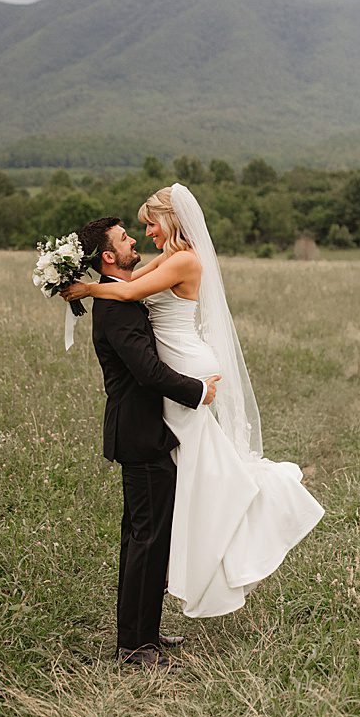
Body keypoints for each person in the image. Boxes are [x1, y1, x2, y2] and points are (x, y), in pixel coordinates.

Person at [66, 187, 324, 635]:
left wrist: (85, 286)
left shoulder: (182, 261)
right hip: (173, 387)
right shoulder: (165, 259)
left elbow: (130, 293)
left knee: (195, 487)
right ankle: (146, 624)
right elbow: (130, 288)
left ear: (172, 220)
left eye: (149, 224)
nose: (143, 234)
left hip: (185, 372)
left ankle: (225, 539)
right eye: (134, 231)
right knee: (174, 501)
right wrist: (80, 275)